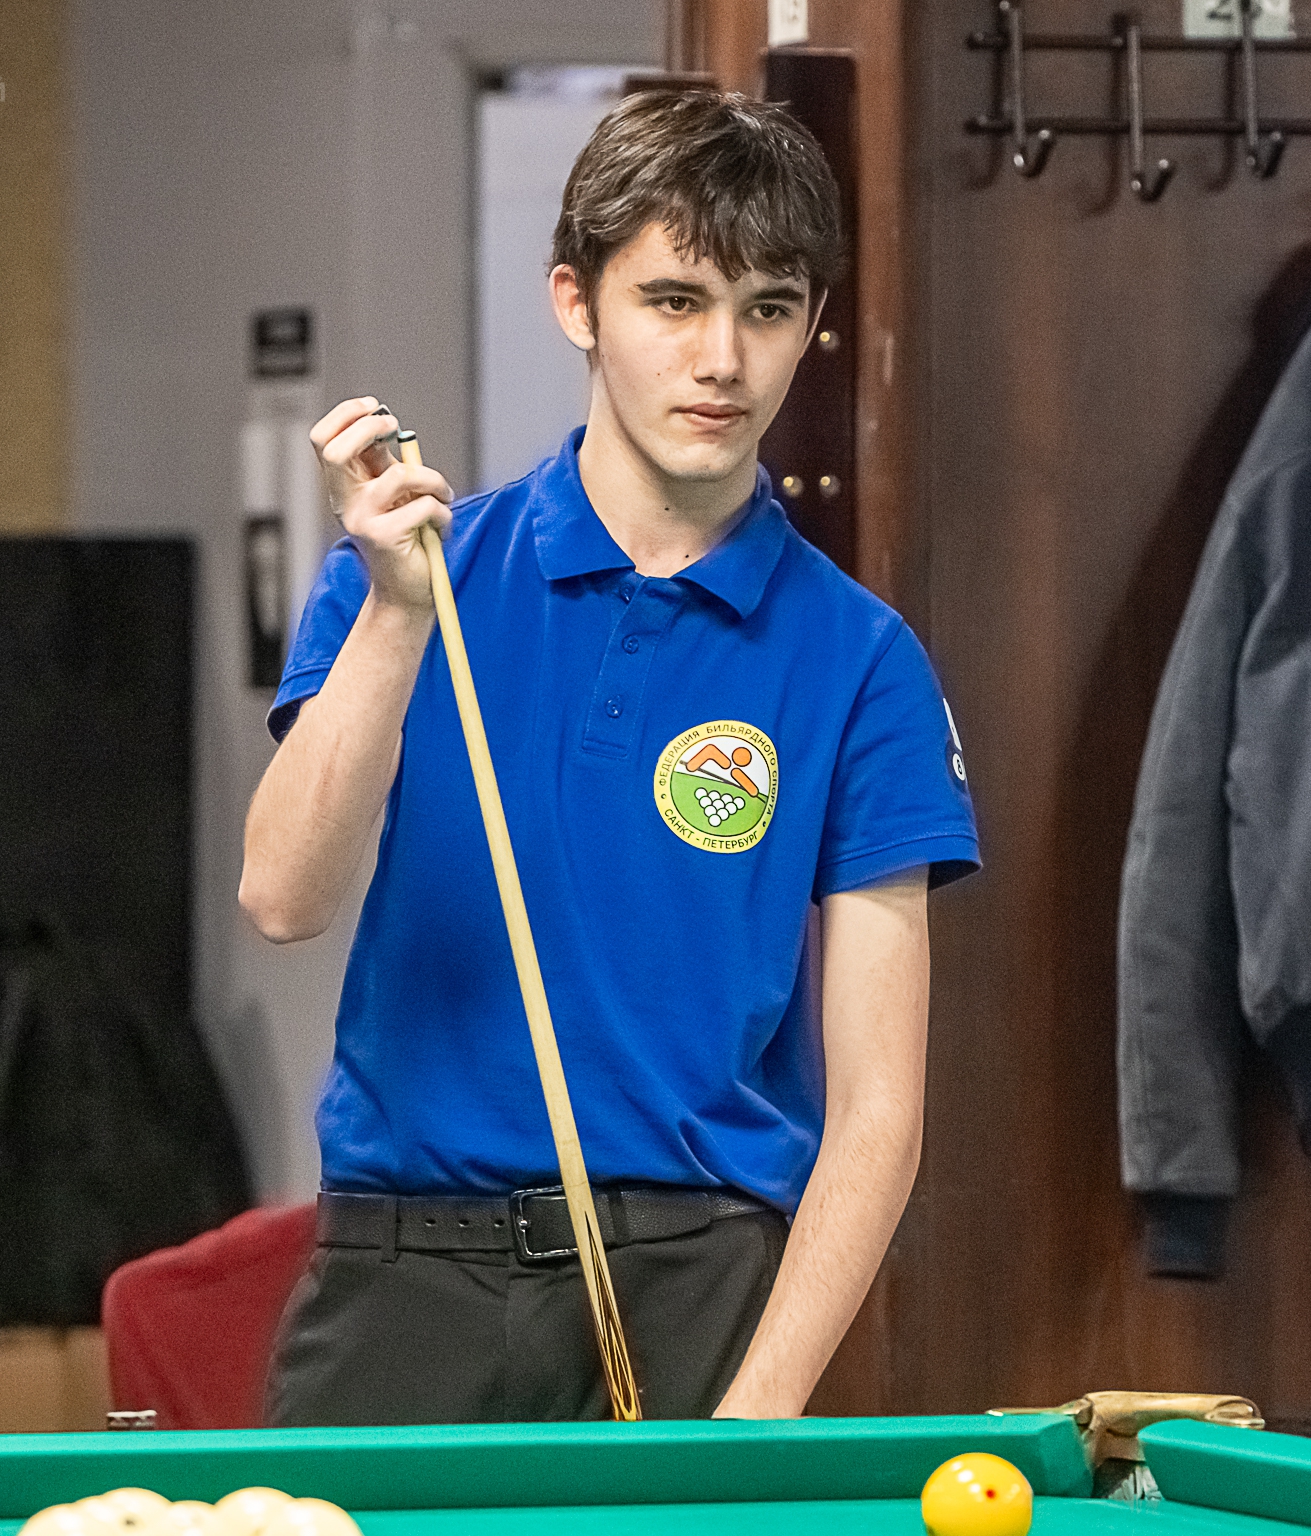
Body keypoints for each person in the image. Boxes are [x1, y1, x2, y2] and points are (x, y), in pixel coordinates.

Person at [241, 87, 980, 1424]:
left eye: (768, 309)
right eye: (674, 301)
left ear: (811, 323)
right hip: (403, 1269)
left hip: (699, 1280)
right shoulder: (409, 580)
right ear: (577, 302)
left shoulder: (861, 660)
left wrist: (761, 1406)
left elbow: (879, 1111)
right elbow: (283, 897)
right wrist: (400, 616)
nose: (722, 360)